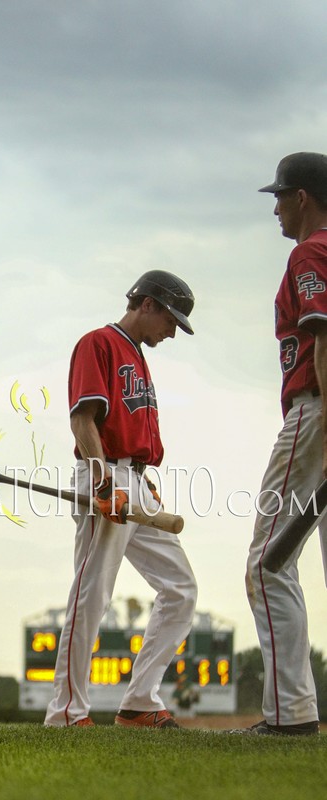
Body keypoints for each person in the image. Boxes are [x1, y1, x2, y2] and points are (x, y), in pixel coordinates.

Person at [44, 271, 198, 728]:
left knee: (180, 588)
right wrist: (102, 480)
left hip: (133, 477)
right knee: (92, 593)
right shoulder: (98, 343)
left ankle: (139, 702)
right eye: (170, 320)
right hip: (104, 474)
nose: (172, 331)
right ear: (147, 304)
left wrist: (139, 479)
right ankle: (66, 711)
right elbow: (82, 420)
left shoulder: (138, 355)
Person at [239, 152, 327, 736]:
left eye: (280, 195)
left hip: (317, 411)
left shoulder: (310, 250)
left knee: (268, 564)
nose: (274, 207)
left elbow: (322, 336)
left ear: (302, 197)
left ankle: (290, 715)